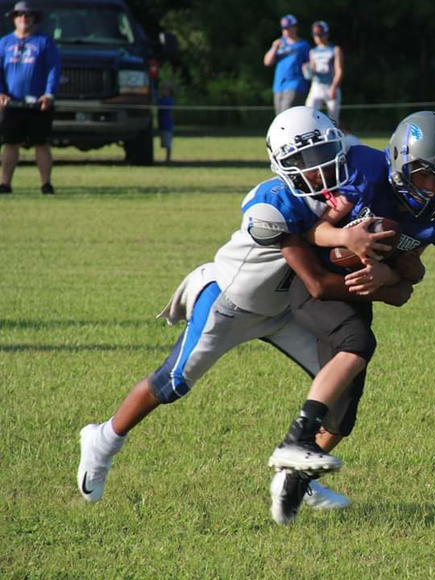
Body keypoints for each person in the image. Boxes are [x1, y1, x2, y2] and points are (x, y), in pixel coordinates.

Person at [76, 107, 409, 513]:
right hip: (229, 304)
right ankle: (104, 438)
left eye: (323, 152)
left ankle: (297, 479)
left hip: (284, 311)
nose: (317, 168)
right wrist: (361, 257)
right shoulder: (271, 202)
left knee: (340, 387)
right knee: (172, 382)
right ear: (281, 166)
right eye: (302, 161)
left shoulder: (347, 185)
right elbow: (301, 240)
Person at [270, 111, 435, 524]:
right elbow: (312, 233)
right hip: (319, 280)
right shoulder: (363, 172)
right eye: (423, 175)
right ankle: (298, 438)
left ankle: (293, 478)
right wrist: (348, 236)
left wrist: (389, 272)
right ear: (399, 158)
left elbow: (404, 288)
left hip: (357, 297)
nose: (431, 188)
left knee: (344, 417)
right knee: (358, 343)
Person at [0, 1, 59, 195]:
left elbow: (53, 69)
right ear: (14, 19)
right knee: (10, 143)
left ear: (34, 18)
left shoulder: (44, 42)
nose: (23, 19)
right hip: (12, 102)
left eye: (27, 15)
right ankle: (5, 184)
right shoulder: (4, 43)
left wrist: (49, 94)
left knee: (41, 143)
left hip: (38, 103)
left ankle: (46, 184)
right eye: (19, 16)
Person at [263, 14, 310, 114]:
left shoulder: (303, 45)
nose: (286, 31)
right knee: (279, 115)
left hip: (295, 83)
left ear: (295, 27)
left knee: (286, 112)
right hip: (279, 84)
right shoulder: (279, 44)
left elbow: (309, 64)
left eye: (288, 28)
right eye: (284, 29)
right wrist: (274, 47)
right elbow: (267, 62)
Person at [305, 20, 343, 123]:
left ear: (326, 34)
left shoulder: (334, 49)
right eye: (316, 35)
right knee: (308, 113)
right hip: (317, 85)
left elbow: (339, 70)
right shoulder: (313, 51)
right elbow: (311, 73)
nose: (318, 38)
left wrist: (334, 87)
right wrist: (307, 71)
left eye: (321, 35)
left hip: (330, 85)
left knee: (333, 118)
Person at [157, 82, 175, 163]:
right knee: (164, 143)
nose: (163, 92)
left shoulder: (169, 101)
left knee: (168, 144)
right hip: (162, 125)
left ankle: (168, 159)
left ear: (169, 92)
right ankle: (167, 158)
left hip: (167, 126)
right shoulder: (163, 100)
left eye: (165, 90)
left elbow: (158, 103)